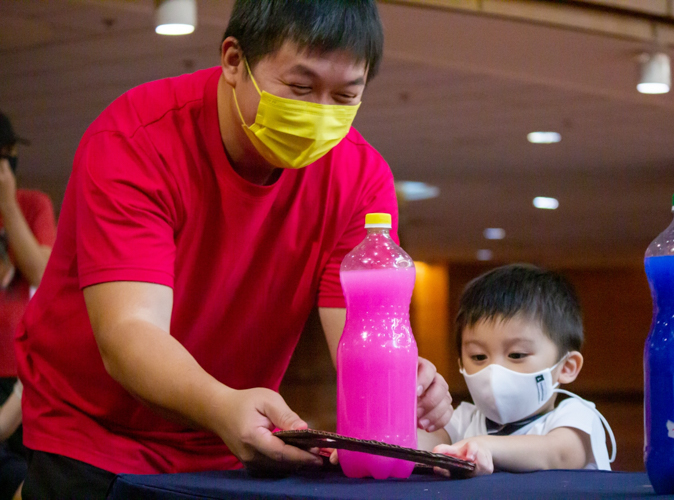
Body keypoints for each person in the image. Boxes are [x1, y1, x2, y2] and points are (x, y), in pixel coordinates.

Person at [16, 1, 452, 498]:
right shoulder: (136, 139)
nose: (320, 115)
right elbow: (129, 332)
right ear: (232, 60)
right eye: (301, 88)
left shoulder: (360, 177)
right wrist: (222, 404)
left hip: (232, 446)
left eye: (346, 95)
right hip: (95, 436)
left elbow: (360, 333)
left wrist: (403, 380)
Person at [418, 264, 615, 475]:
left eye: (517, 355)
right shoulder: (463, 420)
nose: (494, 370)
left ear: (566, 367)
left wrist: (482, 447)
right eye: (478, 356)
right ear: (461, 363)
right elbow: (417, 445)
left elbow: (557, 454)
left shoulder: (577, 416)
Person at [0, 113, 56, 500]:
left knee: (28, 476)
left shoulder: (30, 204)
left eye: (11, 157)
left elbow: (41, 271)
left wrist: (7, 201)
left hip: (19, 380)